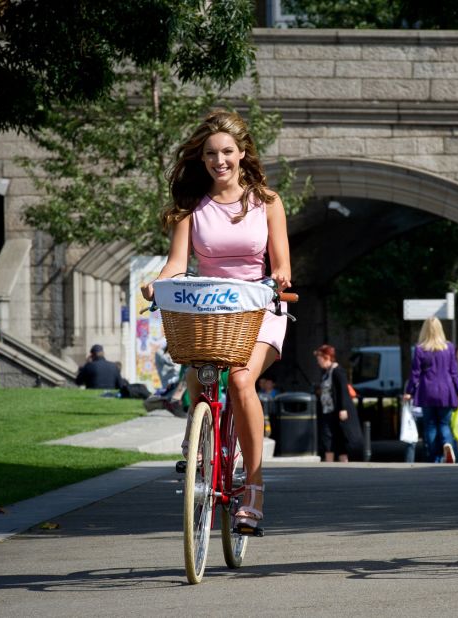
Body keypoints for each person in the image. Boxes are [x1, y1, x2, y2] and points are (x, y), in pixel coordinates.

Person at [140, 109, 292, 537]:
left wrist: (280, 278)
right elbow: (175, 264)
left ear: (242, 154)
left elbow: (281, 265)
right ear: (202, 158)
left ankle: (255, 488)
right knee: (196, 364)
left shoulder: (267, 202)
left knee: (242, 381)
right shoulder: (192, 207)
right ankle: (199, 437)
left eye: (227, 151)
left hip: (258, 307)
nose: (219, 160)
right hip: (209, 308)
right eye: (210, 153)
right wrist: (156, 285)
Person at [404, 316, 458, 463]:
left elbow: (415, 373)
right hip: (446, 392)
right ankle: (447, 444)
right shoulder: (449, 347)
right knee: (445, 424)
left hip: (427, 392)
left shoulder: (420, 349)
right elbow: (454, 372)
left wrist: (409, 392)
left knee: (431, 425)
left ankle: (435, 456)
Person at [313, 345, 364, 462]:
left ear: (326, 357)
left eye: (319, 359)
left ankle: (339, 465)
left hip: (336, 411)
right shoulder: (326, 372)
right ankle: (332, 464)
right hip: (328, 411)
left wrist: (343, 409)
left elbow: (343, 391)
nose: (318, 362)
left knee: (335, 437)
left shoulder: (337, 371)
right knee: (330, 437)